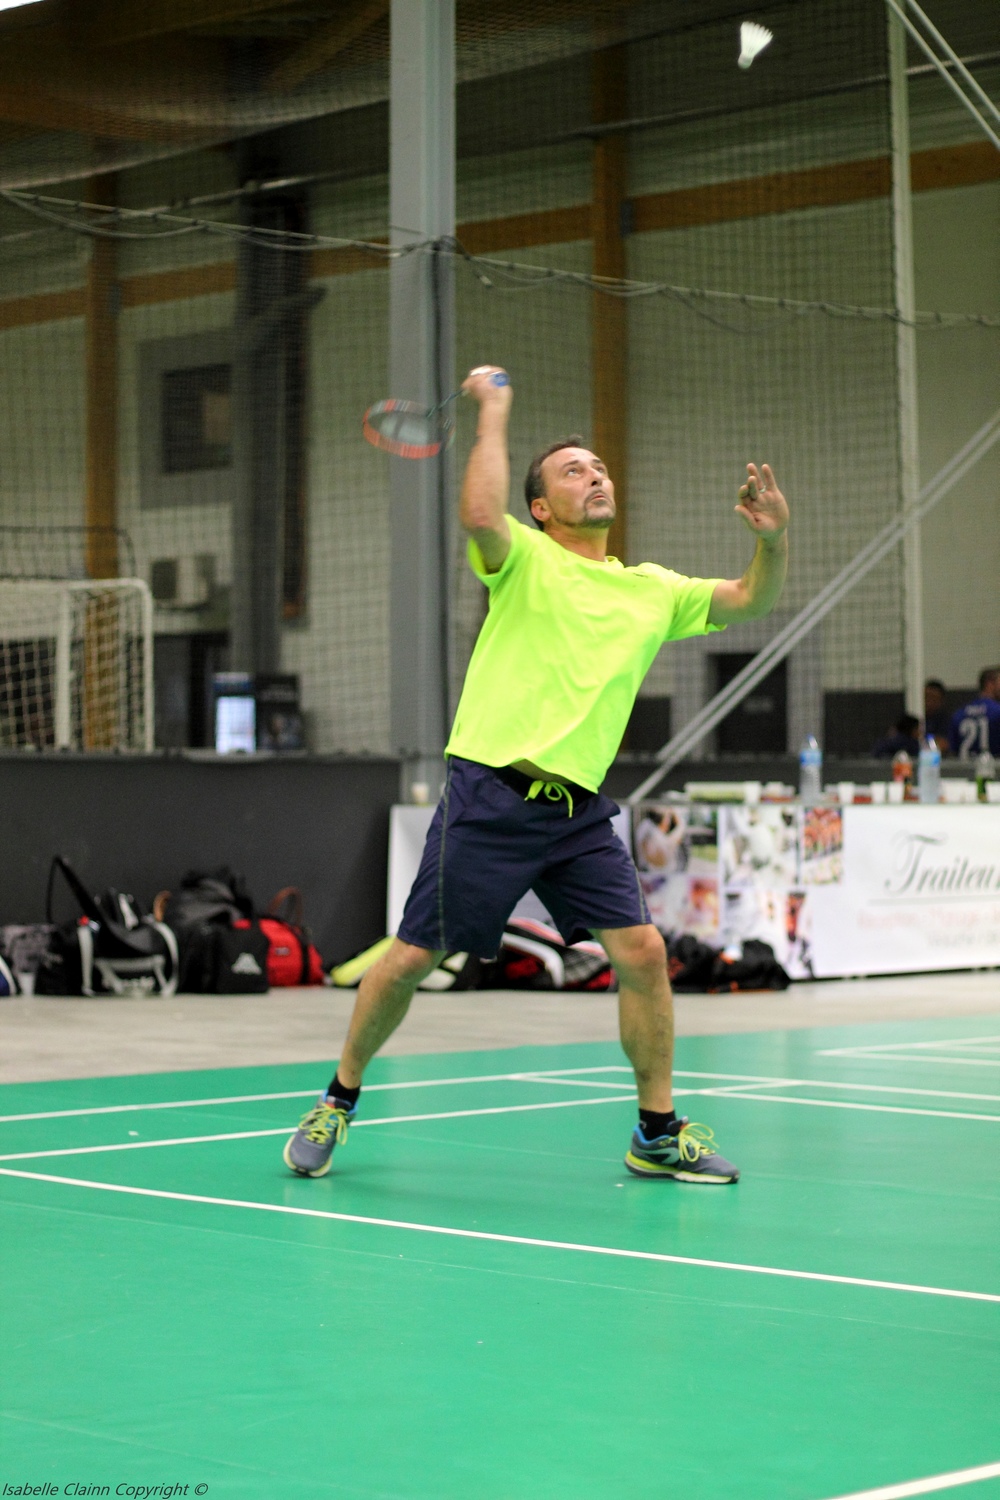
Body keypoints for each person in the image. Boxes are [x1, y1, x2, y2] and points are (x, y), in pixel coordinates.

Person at [284, 364, 789, 1186]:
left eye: (599, 467)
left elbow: (749, 601)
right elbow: (481, 514)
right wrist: (494, 409)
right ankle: (338, 1098)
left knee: (643, 952)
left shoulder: (651, 589)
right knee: (411, 960)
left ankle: (657, 1132)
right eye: (573, 471)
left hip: (577, 813)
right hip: (490, 795)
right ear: (543, 508)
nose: (595, 476)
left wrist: (770, 540)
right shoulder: (522, 558)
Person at [949, 667, 1000, 760]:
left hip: (963, 767)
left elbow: (953, 751)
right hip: (993, 766)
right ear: (990, 684)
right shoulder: (997, 711)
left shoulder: (959, 714)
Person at [923, 679, 949, 750]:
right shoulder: (914, 718)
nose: (928, 702)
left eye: (933, 698)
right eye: (926, 697)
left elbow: (944, 744)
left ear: (941, 700)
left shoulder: (945, 721)